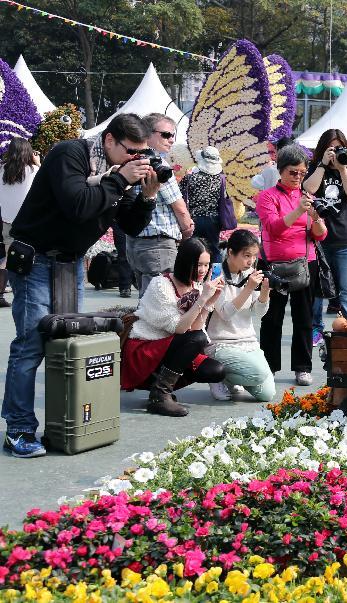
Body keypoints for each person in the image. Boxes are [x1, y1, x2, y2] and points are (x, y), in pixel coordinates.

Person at [4, 113, 157, 457]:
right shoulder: (70, 154)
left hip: (70, 263)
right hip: (36, 258)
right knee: (31, 344)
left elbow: (130, 225)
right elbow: (77, 205)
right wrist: (119, 179)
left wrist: (147, 195)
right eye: (131, 151)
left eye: (141, 153)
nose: (137, 159)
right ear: (109, 140)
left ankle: (68, 423)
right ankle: (18, 430)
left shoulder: (121, 173)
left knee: (66, 343)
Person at [121, 238, 226, 417]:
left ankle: (159, 387)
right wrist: (202, 300)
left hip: (170, 347)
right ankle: (160, 394)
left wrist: (210, 302)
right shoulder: (161, 284)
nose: (203, 270)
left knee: (215, 371)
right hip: (145, 348)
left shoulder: (197, 286)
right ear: (186, 262)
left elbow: (195, 328)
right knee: (198, 340)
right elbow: (179, 328)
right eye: (198, 264)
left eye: (206, 265)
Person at [259, 145, 328, 386]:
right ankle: (268, 367)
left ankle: (302, 367)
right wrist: (299, 210)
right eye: (292, 172)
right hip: (274, 264)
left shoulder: (308, 198)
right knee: (272, 318)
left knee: (304, 317)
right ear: (280, 171)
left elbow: (320, 235)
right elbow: (273, 228)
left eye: (301, 172)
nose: (298, 177)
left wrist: (316, 218)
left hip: (305, 264)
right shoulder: (268, 196)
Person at [126, 113, 194, 297]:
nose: (171, 140)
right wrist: (188, 231)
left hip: (135, 243)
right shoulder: (158, 164)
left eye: (173, 135)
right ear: (147, 134)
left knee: (145, 302)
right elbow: (179, 207)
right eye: (166, 135)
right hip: (158, 244)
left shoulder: (132, 159)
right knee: (159, 303)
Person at [302, 129, 347, 323]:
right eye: (332, 148)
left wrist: (342, 168)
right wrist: (322, 164)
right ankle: (316, 330)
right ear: (323, 148)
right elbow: (309, 188)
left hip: (345, 238)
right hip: (318, 238)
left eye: (339, 148)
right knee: (317, 291)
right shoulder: (315, 167)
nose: (336, 152)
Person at [206, 229, 275, 402]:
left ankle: (233, 376)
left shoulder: (249, 274)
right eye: (246, 256)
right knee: (257, 374)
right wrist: (249, 288)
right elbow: (225, 314)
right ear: (230, 252)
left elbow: (258, 313)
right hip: (220, 343)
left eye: (254, 256)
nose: (251, 261)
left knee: (267, 394)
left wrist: (264, 292)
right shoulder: (216, 274)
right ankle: (217, 376)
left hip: (248, 342)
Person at [0, 138, 40, 309]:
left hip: (7, 220)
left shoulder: (2, 169)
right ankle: (25, 294)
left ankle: (1, 293)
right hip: (28, 220)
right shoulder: (33, 170)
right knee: (31, 256)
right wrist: (39, 162)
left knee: (9, 257)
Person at [180, 146, 228, 264]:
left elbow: (179, 194)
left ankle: (193, 276)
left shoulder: (191, 177)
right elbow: (224, 197)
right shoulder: (220, 178)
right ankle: (216, 276)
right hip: (213, 219)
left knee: (194, 249)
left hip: (194, 218)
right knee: (214, 249)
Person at [251, 137, 295, 202]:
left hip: (272, 206)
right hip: (291, 206)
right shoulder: (298, 169)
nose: (274, 153)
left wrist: (265, 169)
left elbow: (255, 183)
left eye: (275, 150)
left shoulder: (271, 169)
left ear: (279, 151)